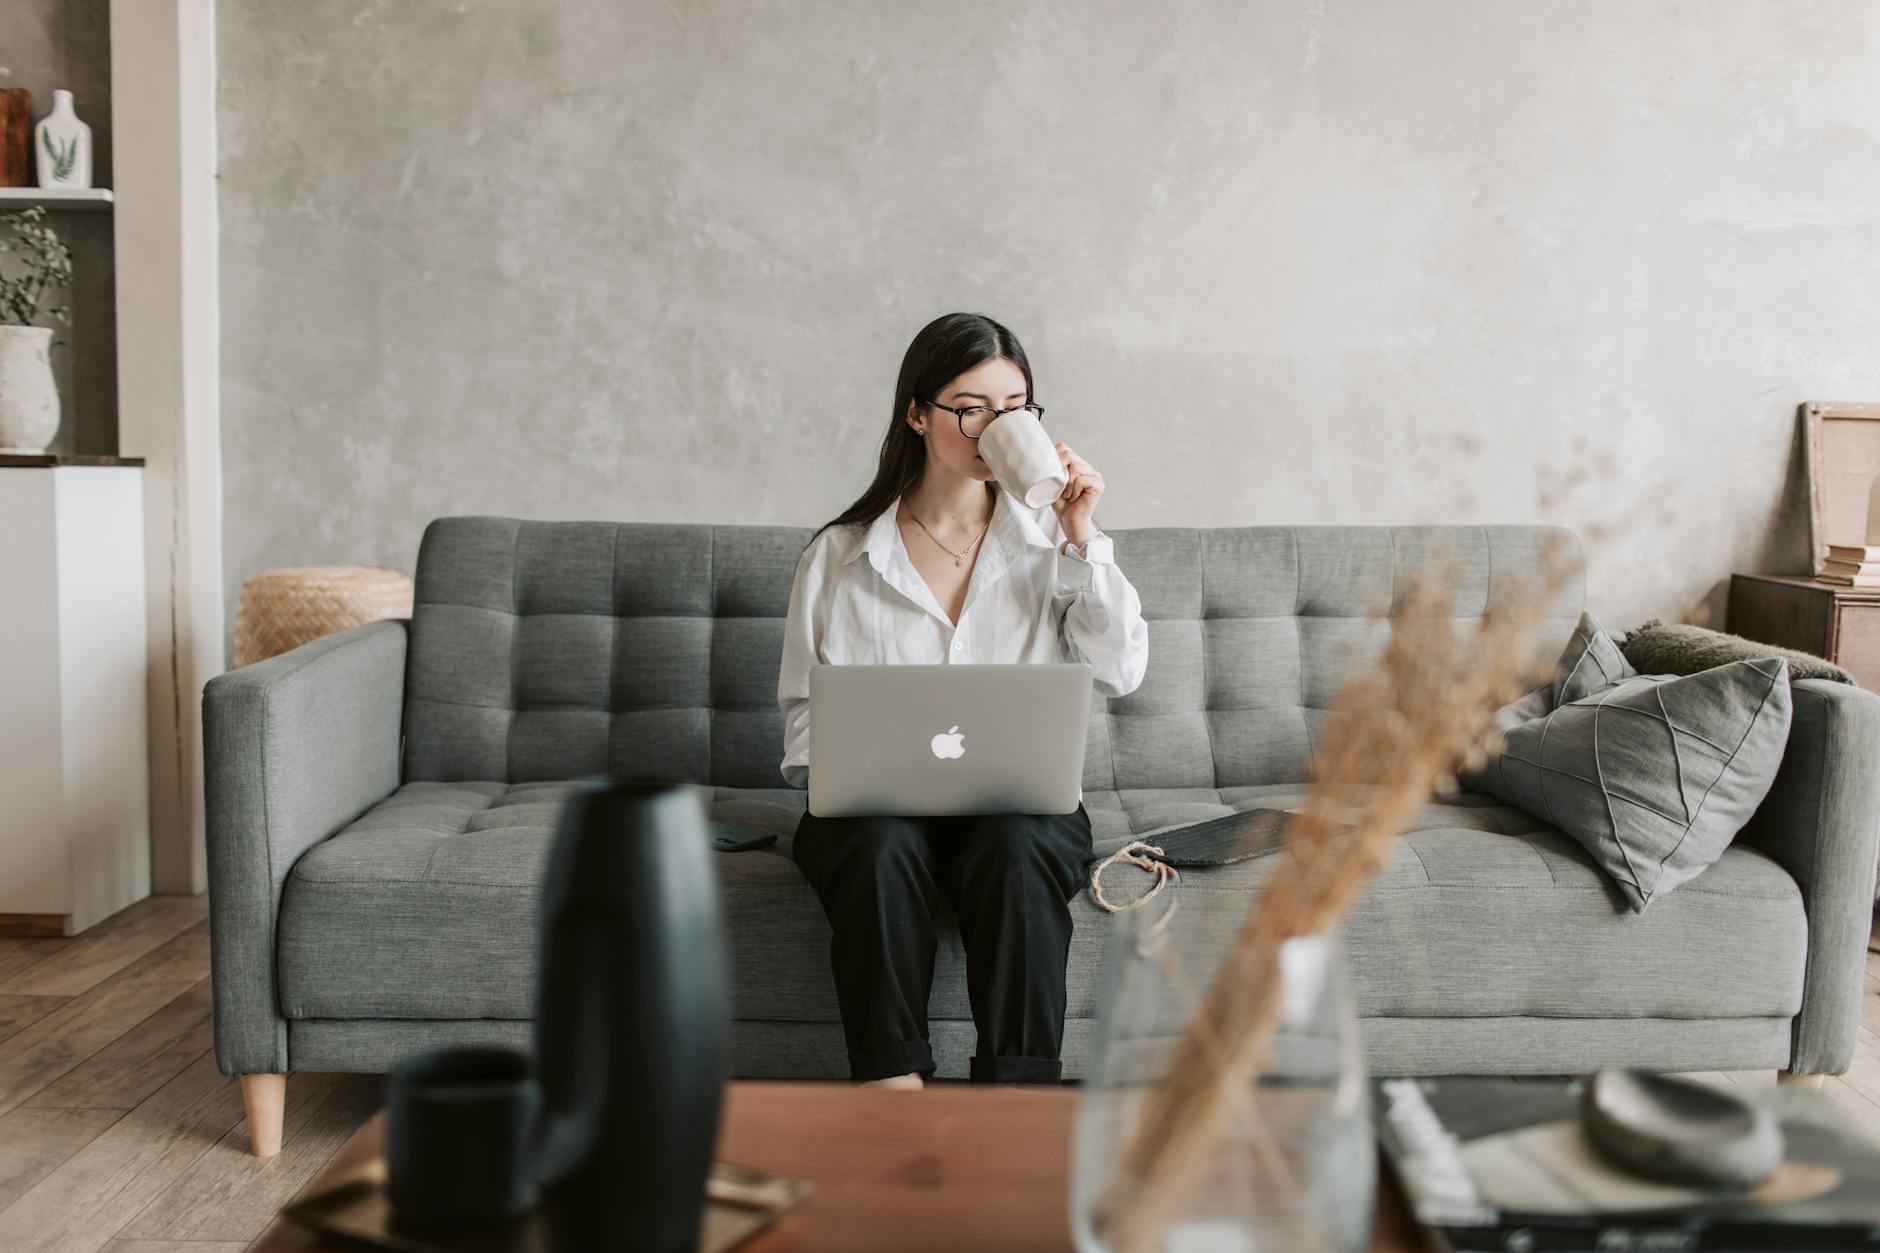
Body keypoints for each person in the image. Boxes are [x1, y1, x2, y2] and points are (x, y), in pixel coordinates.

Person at [775, 311, 1150, 1088]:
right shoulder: (839, 555)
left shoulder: (1051, 544)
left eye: (1016, 407)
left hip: (1015, 805)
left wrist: (1084, 535)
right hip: (875, 815)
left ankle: (1017, 1097)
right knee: (877, 845)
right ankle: (891, 1089)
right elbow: (806, 718)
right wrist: (848, 771)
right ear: (918, 413)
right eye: (971, 406)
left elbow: (1122, 670)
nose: (996, 426)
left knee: (1019, 846)